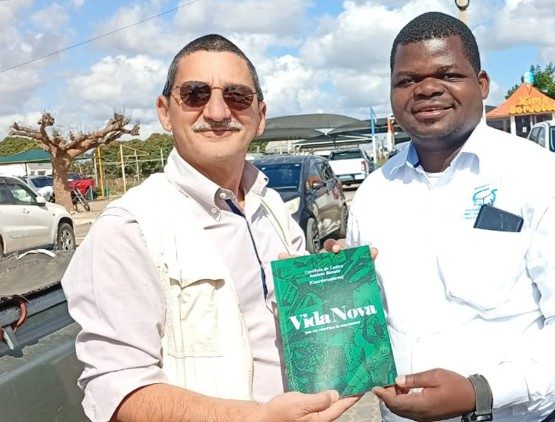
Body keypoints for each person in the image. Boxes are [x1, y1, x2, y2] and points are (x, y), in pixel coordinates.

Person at [61, 34, 356, 421]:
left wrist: (340, 284)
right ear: (165, 112)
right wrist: (253, 419)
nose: (217, 112)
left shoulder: (271, 207)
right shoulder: (130, 228)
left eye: (237, 96)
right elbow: (117, 390)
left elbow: (298, 324)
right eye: (195, 94)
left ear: (260, 115)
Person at [344, 12, 555, 421]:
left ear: (482, 84)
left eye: (448, 75)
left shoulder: (542, 178)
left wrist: (481, 391)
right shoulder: (372, 194)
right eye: (407, 80)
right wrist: (332, 286)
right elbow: (366, 322)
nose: (427, 89)